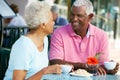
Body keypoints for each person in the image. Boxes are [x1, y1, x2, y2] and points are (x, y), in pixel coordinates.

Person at [49, 0, 119, 75]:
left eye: (79, 15)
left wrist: (110, 69)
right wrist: (84, 66)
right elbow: (54, 61)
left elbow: (102, 65)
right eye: (72, 14)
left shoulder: (102, 36)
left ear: (90, 17)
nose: (74, 19)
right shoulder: (59, 33)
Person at [4, 1, 62, 80]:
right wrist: (45, 71)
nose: (54, 22)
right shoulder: (24, 46)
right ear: (43, 24)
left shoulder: (45, 39)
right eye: (51, 20)